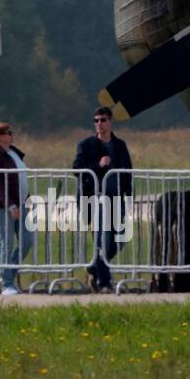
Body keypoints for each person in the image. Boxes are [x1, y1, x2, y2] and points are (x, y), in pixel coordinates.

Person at [74, 106, 134, 293]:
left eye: (103, 120)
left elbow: (128, 171)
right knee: (103, 240)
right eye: (96, 120)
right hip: (97, 200)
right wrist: (98, 166)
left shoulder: (120, 145)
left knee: (120, 239)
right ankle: (104, 283)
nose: (99, 124)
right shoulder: (86, 145)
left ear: (110, 122)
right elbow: (77, 169)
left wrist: (129, 196)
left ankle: (94, 268)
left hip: (116, 199)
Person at [0, 122, 34, 296]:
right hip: (4, 206)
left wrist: (27, 201)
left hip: (21, 204)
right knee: (7, 243)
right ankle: (7, 284)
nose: (11, 134)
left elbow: (22, 180)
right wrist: (10, 205)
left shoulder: (14, 153)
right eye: (8, 132)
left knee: (27, 241)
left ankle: (7, 274)